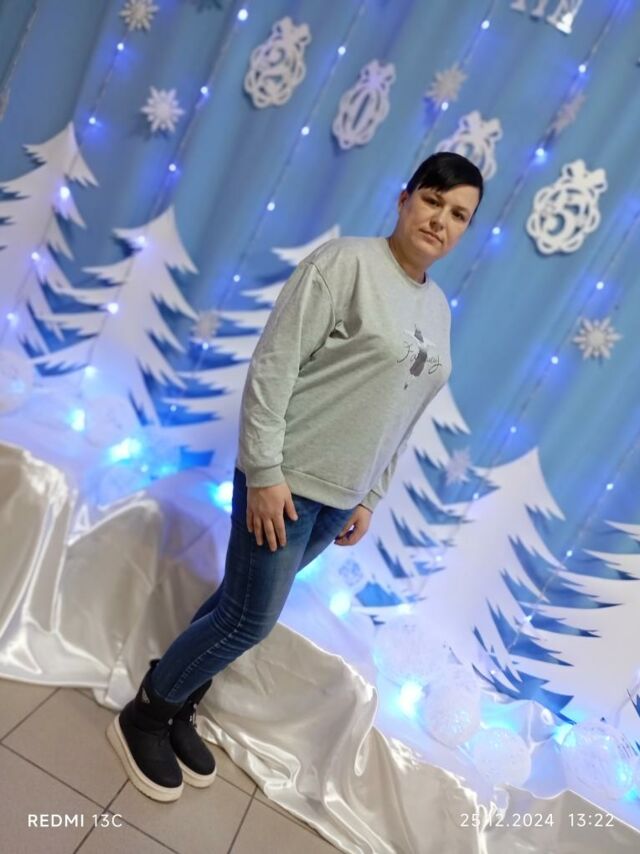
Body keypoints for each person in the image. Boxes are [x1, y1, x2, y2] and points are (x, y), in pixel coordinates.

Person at [106, 151, 484, 802]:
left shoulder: (439, 310)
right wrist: (264, 472)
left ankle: (179, 699)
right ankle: (145, 714)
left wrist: (370, 494)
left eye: (458, 215)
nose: (440, 221)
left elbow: (403, 410)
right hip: (287, 482)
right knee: (247, 620)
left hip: (339, 500)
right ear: (404, 199)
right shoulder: (344, 266)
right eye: (432, 201)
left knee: (236, 607)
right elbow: (274, 365)